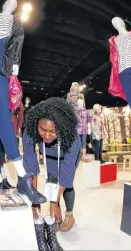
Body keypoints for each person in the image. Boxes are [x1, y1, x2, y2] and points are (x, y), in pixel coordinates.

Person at [23, 97, 81, 233]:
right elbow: (30, 164)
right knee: (52, 180)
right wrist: (34, 200)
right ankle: (56, 213)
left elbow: (67, 171)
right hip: (49, 154)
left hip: (67, 155)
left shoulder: (73, 138)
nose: (47, 136)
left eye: (53, 131)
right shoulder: (30, 132)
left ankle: (69, 215)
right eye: (43, 130)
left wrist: (53, 202)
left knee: (67, 184)